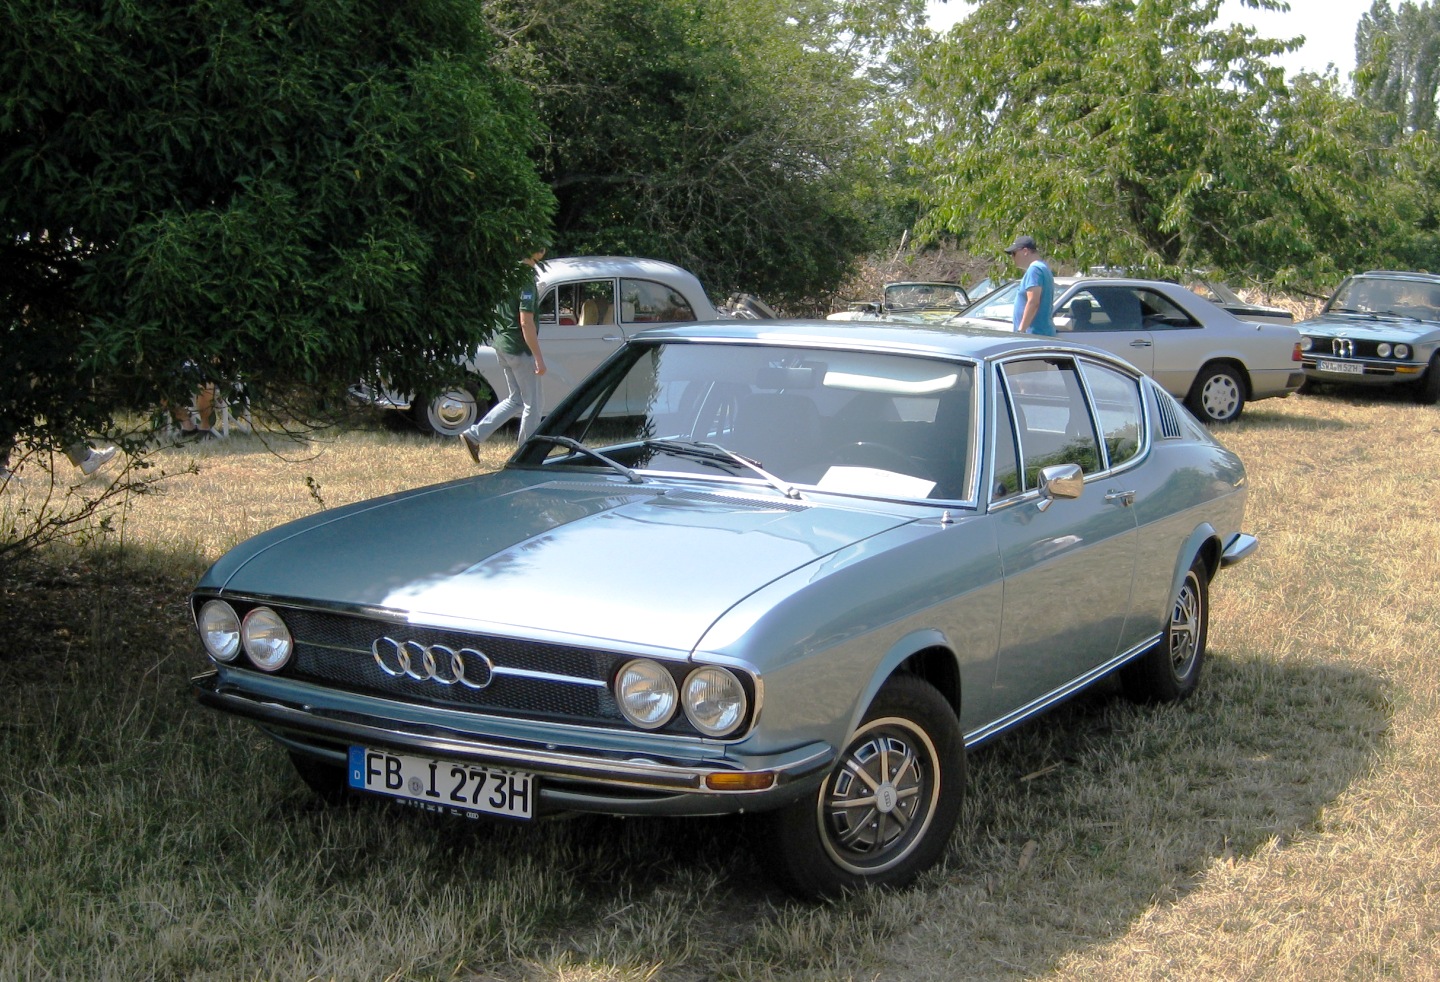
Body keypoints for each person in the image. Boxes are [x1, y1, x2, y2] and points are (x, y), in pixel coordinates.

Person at [460, 246, 548, 462]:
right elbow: (525, 321)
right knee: (533, 405)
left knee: (516, 400)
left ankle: (473, 435)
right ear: (537, 251)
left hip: (502, 345)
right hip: (519, 348)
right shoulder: (525, 279)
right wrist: (538, 357)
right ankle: (525, 457)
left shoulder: (508, 274)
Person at [1005, 234, 1056, 336]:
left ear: (1025, 251)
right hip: (1037, 334)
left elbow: (1033, 302)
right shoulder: (1042, 268)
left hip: (1034, 335)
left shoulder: (1035, 269)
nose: (1012, 258)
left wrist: (1021, 331)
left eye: (1014, 253)